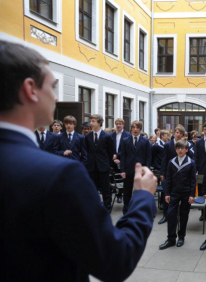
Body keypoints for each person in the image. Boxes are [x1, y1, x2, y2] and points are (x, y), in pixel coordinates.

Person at [0, 40, 157, 281]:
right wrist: (143, 197)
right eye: (51, 87)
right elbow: (115, 260)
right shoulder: (60, 174)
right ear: (30, 89)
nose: (55, 97)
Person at [159, 140, 196, 249]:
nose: (180, 150)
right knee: (171, 215)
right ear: (175, 150)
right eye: (178, 148)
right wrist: (167, 193)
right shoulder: (171, 162)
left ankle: (181, 237)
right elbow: (168, 179)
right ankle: (171, 238)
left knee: (184, 216)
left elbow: (193, 180)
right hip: (174, 193)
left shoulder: (191, 162)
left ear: (186, 150)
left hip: (186, 193)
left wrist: (192, 195)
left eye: (182, 148)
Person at [159, 125, 192, 224]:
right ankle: (166, 215)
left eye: (180, 133)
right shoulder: (168, 145)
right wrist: (162, 173)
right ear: (174, 133)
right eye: (176, 132)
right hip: (169, 173)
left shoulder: (185, 145)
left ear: (182, 135)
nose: (178, 134)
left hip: (181, 174)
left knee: (178, 197)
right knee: (167, 194)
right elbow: (164, 160)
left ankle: (177, 216)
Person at [120, 120, 152, 214]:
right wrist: (122, 170)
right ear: (131, 128)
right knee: (127, 191)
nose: (135, 129)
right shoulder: (125, 140)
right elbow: (123, 156)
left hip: (140, 170)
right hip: (128, 169)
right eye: (133, 127)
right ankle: (126, 210)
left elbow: (148, 157)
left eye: (137, 127)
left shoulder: (145, 141)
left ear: (140, 129)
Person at [85, 114, 114, 211]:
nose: (91, 123)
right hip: (91, 166)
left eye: (93, 121)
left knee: (106, 189)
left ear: (100, 123)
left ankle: (107, 208)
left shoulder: (107, 136)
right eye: (90, 121)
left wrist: (107, 164)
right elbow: (87, 150)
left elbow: (111, 152)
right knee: (92, 189)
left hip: (103, 166)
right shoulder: (88, 136)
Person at [111, 118, 131, 204]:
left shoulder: (128, 135)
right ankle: (116, 192)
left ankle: (120, 195)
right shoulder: (111, 135)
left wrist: (118, 156)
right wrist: (113, 157)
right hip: (113, 160)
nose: (118, 125)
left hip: (123, 160)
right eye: (117, 123)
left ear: (123, 125)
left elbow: (126, 149)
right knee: (114, 178)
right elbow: (109, 147)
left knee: (122, 177)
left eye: (120, 124)